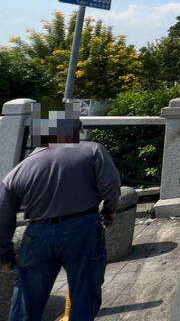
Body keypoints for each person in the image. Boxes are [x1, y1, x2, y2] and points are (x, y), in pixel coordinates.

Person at [0, 115, 121, 321]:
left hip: (37, 235)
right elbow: (111, 184)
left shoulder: (20, 169)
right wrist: (109, 210)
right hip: (82, 228)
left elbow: (3, 214)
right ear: (75, 131)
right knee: (84, 294)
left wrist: (4, 256)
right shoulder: (92, 150)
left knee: (26, 301)